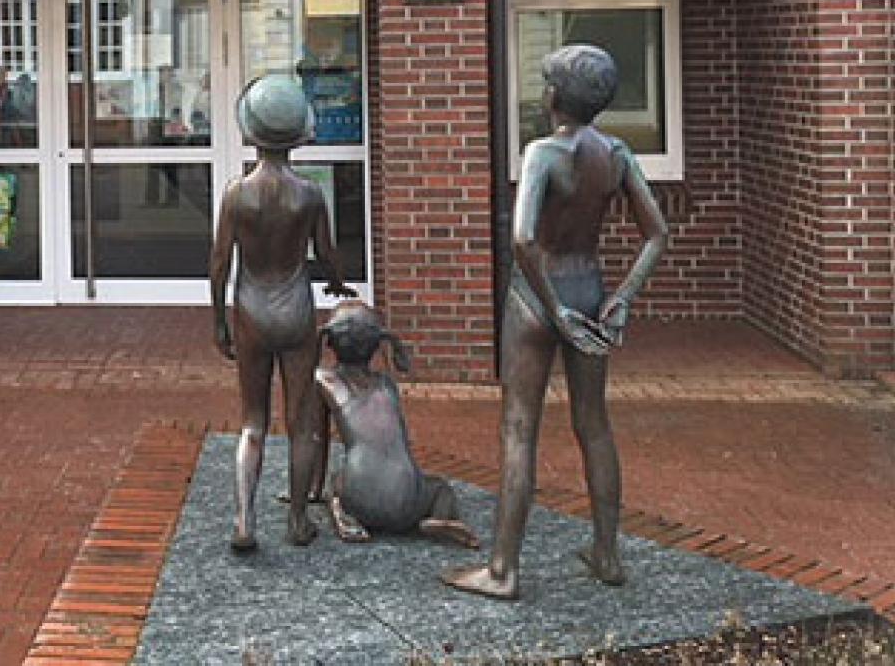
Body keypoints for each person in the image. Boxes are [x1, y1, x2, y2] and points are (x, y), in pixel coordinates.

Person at [444, 44, 667, 601]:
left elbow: (522, 240)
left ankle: (503, 569)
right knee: (594, 424)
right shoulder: (616, 154)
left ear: (555, 96)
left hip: (536, 297)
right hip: (589, 289)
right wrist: (623, 296)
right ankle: (607, 554)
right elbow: (657, 233)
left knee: (519, 427)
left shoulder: (542, 152)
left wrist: (552, 307)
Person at [209, 75, 356, 551]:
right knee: (301, 421)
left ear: (250, 131)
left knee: (253, 420)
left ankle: (243, 520)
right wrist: (337, 281)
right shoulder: (309, 194)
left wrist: (218, 321)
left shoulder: (237, 193)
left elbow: (219, 263)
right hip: (295, 310)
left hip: (250, 311)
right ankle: (296, 519)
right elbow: (328, 253)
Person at [316, 307, 479, 548]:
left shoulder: (322, 380)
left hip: (361, 498)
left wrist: (312, 490)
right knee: (440, 488)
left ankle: (341, 513)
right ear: (376, 345)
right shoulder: (387, 383)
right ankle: (439, 517)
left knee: (336, 480)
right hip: (408, 502)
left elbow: (316, 439)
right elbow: (402, 365)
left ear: (330, 342)